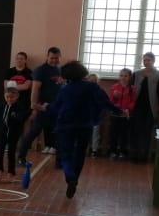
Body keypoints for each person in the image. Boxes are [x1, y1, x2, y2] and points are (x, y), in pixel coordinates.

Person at [47, 61, 122, 198]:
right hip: (85, 124)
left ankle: (70, 177)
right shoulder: (92, 86)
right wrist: (118, 110)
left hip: (66, 125)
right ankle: (75, 177)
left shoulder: (65, 89)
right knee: (80, 153)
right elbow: (104, 101)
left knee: (66, 153)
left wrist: (45, 107)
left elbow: (56, 107)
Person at [17, 46, 63, 162]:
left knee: (60, 133)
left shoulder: (60, 69)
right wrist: (34, 105)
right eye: (52, 58)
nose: (54, 60)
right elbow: (35, 88)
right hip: (43, 107)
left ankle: (59, 162)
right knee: (34, 132)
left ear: (60, 57)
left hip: (57, 107)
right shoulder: (41, 70)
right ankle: (21, 157)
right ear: (47, 57)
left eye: (56, 58)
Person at [0, 82, 27, 183]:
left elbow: (22, 118)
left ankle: (11, 172)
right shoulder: (1, 107)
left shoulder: (19, 108)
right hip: (2, 133)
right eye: (7, 97)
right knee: (0, 151)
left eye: (12, 97)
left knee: (11, 152)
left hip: (13, 133)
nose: (9, 99)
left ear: (17, 96)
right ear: (4, 96)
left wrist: (15, 116)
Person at [128, 51, 159, 162]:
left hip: (150, 107)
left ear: (153, 61)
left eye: (148, 60)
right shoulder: (137, 73)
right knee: (136, 130)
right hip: (137, 107)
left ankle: (143, 156)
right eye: (144, 60)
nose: (146, 62)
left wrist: (158, 107)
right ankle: (134, 155)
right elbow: (130, 90)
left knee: (147, 131)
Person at [107, 68, 137, 159]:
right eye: (121, 75)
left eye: (125, 76)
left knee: (124, 134)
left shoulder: (132, 88)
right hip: (115, 114)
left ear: (130, 77)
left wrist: (128, 109)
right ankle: (112, 151)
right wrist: (114, 96)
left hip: (126, 115)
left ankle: (122, 152)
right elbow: (110, 101)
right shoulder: (114, 87)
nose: (123, 78)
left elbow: (134, 101)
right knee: (113, 134)